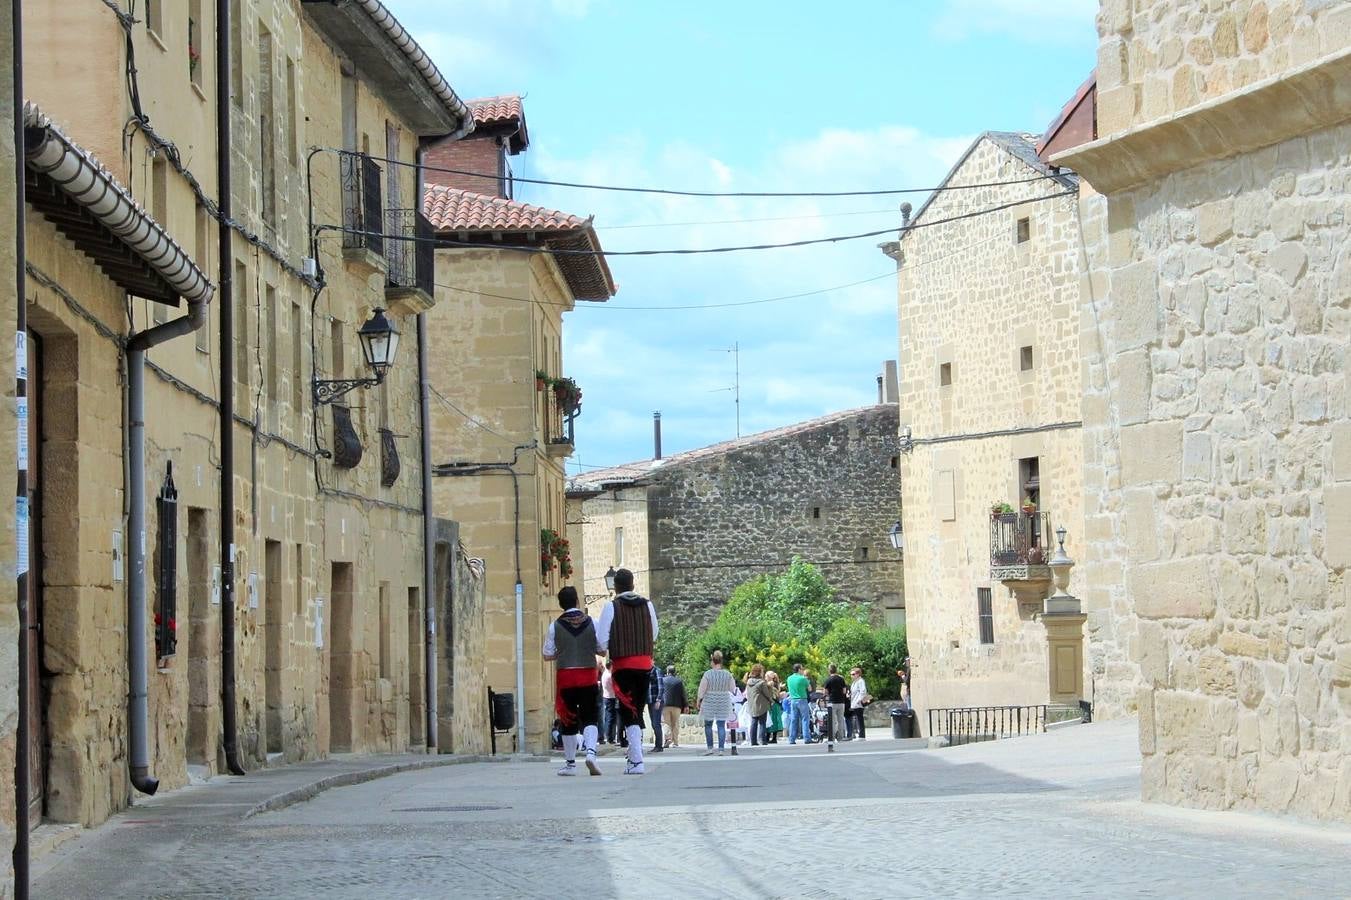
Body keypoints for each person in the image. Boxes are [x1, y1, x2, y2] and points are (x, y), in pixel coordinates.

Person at [596, 568, 659, 775]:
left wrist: (609, 647)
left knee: (627, 710)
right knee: (637, 709)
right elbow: (655, 633)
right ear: (633, 585)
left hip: (623, 665)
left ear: (615, 587)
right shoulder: (647, 605)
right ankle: (634, 757)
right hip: (644, 664)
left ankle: (637, 760)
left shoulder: (611, 607)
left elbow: (602, 640)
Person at [542, 586, 602, 776]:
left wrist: (563, 651)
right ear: (577, 601)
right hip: (588, 675)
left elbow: (547, 654)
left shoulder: (554, 626)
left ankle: (570, 764)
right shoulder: (593, 622)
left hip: (566, 676)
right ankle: (591, 752)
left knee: (568, 719)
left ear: (560, 604)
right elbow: (601, 649)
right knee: (590, 715)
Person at [697, 650, 735, 755]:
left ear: (712, 661)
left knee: (708, 724)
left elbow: (702, 689)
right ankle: (721, 749)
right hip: (723, 700)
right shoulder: (727, 674)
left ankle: (710, 748)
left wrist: (699, 700)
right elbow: (733, 689)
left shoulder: (708, 674)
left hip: (710, 700)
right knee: (721, 725)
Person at [744, 664, 775, 746]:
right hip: (762, 705)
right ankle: (762, 740)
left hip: (752, 704)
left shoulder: (748, 682)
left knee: (753, 722)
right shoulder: (761, 682)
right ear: (759, 672)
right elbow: (767, 694)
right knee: (762, 723)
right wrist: (770, 699)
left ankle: (753, 741)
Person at [786, 663, 813, 744]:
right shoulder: (802, 678)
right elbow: (810, 689)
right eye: (802, 669)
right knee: (805, 719)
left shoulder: (789, 678)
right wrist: (807, 681)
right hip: (802, 699)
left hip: (793, 700)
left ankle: (792, 739)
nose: (803, 670)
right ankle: (807, 738)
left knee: (793, 720)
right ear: (799, 669)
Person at [661, 665, 687, 748]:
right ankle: (675, 742)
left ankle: (668, 738)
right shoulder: (679, 681)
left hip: (665, 705)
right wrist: (686, 705)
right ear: (674, 672)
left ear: (667, 672)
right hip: (677, 706)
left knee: (666, 723)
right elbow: (683, 694)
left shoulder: (663, 680)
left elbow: (660, 692)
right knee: (675, 724)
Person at [823, 664, 848, 743]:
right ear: (836, 670)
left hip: (832, 702)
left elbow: (825, 692)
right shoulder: (841, 679)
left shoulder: (828, 680)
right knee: (840, 720)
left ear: (829, 671)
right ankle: (840, 737)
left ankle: (832, 738)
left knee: (833, 721)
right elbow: (844, 691)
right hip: (841, 702)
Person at [848, 666, 870, 740]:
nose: (852, 676)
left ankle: (862, 735)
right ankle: (860, 734)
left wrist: (859, 700)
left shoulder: (860, 681)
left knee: (859, 718)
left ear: (858, 674)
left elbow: (863, 691)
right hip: (854, 703)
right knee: (857, 718)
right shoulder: (855, 682)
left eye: (853, 674)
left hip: (858, 703)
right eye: (851, 674)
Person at [647, 663, 665, 753]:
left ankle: (659, 746)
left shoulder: (656, 670)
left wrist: (658, 700)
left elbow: (661, 687)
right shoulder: (647, 671)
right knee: (654, 724)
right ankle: (657, 745)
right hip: (650, 701)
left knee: (656, 723)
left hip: (656, 701)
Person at [765, 671, 785, 744]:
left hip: (772, 703)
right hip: (775, 703)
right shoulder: (775, 683)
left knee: (771, 720)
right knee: (774, 720)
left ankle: (769, 737)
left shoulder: (771, 683)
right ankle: (773, 737)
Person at [601, 661, 617, 744]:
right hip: (611, 697)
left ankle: (609, 736)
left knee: (608, 717)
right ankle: (609, 737)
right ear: (610, 666)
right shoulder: (609, 676)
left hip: (606, 697)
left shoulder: (604, 674)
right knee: (610, 718)